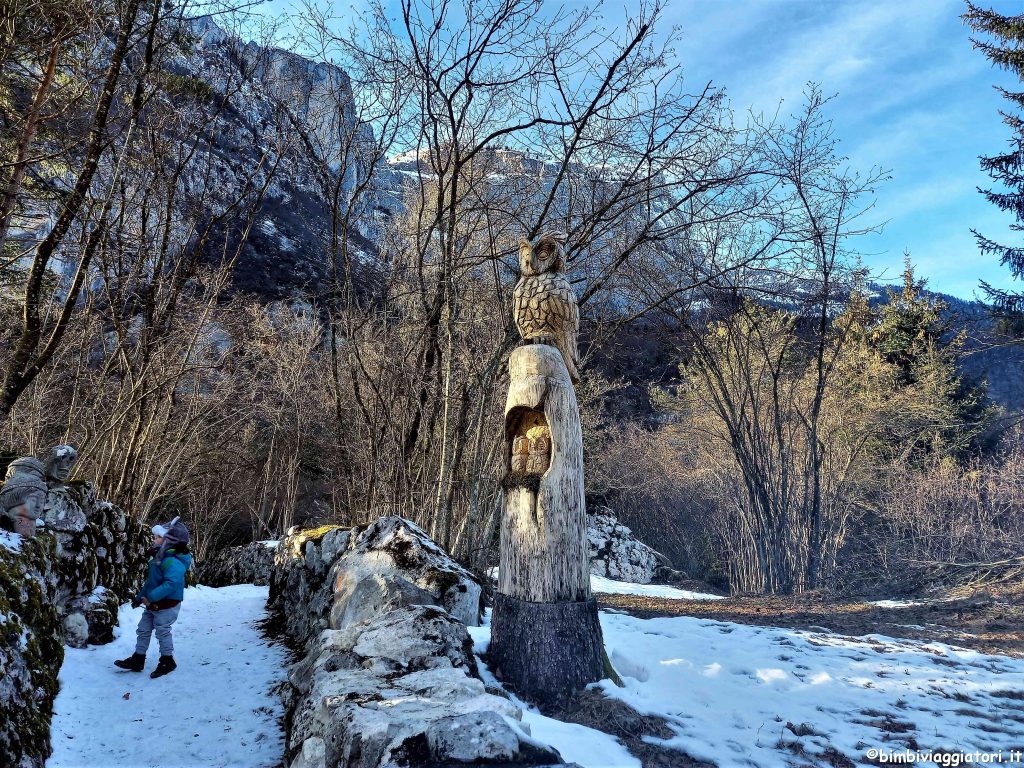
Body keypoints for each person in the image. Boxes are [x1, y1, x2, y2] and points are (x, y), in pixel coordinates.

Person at [115, 517, 192, 678]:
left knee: (162, 631)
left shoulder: (173, 561)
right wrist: (140, 597)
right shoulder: (159, 558)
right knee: (143, 629)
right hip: (153, 603)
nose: (154, 539)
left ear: (170, 541)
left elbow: (171, 583)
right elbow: (152, 582)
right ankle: (138, 658)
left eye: (158, 537)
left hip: (167, 604)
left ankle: (167, 660)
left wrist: (150, 597)